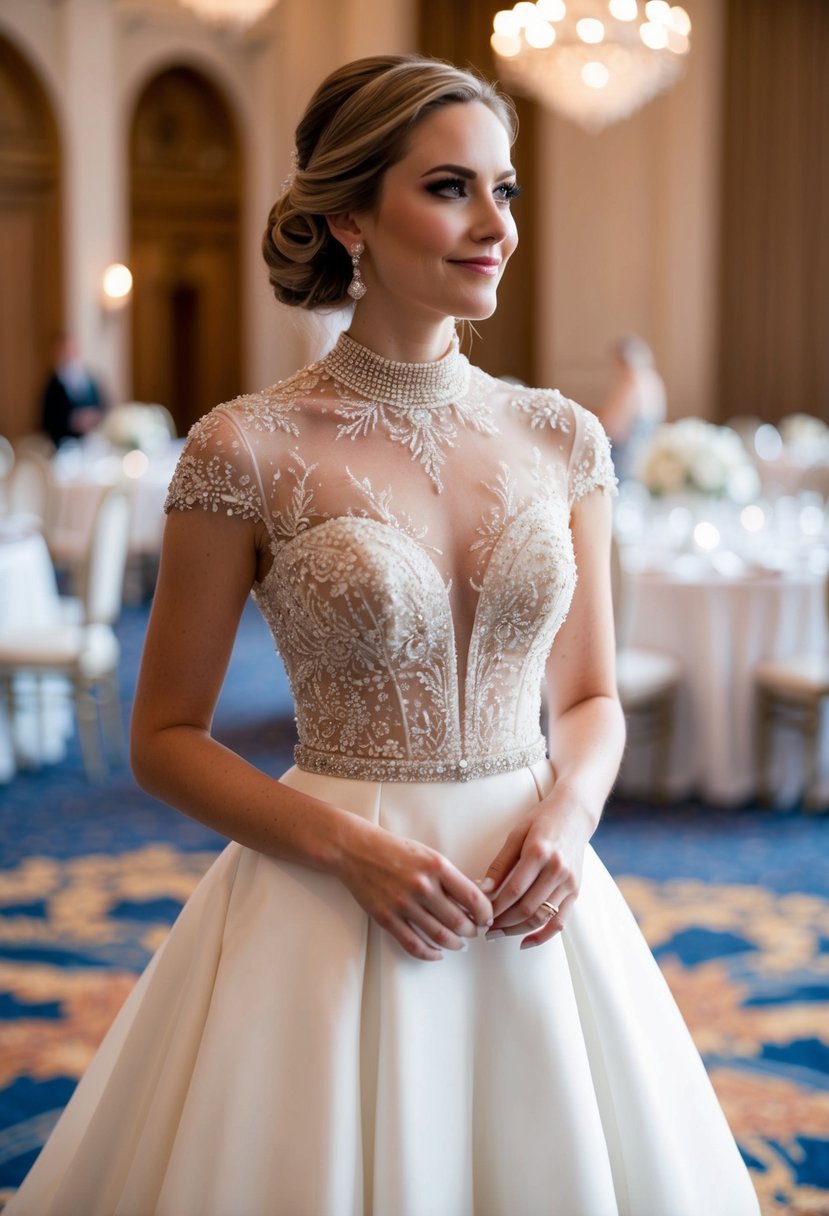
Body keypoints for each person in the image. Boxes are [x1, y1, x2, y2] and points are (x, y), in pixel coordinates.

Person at [7, 56, 759, 1216]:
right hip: (329, 898)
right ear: (348, 214)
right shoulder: (242, 449)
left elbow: (593, 698)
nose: (494, 225)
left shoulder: (561, 438)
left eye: (504, 190)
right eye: (450, 187)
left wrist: (571, 812)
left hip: (534, 896)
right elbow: (162, 735)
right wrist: (347, 848)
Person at [599, 333, 667, 481]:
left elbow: (613, 429)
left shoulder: (630, 386)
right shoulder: (653, 379)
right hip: (647, 455)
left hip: (624, 461)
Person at [39, 334, 106, 447]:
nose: (69, 353)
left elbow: (102, 405)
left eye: (72, 349)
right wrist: (73, 421)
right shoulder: (53, 384)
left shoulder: (88, 378)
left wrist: (93, 417)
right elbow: (46, 419)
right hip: (64, 443)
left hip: (90, 440)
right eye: (65, 349)